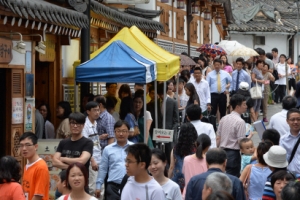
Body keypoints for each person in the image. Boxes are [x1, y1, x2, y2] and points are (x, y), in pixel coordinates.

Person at [95, 120, 134, 199]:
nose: (121, 134)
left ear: (128, 132)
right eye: (118, 131)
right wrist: (98, 186)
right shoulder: (108, 149)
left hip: (131, 185)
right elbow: (103, 168)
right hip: (113, 187)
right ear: (114, 132)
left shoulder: (134, 148)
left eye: (124, 131)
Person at [217, 94, 248, 177]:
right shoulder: (240, 122)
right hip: (233, 154)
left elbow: (218, 138)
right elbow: (240, 142)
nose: (246, 106)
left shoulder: (223, 118)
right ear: (238, 107)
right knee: (232, 180)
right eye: (244, 104)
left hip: (221, 152)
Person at [147, 83, 179, 162]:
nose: (161, 96)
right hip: (157, 132)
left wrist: (172, 131)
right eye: (159, 94)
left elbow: (176, 119)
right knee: (157, 153)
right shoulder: (154, 103)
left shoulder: (173, 102)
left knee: (169, 153)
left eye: (162, 94)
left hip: (169, 133)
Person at [19, 132, 50, 200]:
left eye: (27, 145)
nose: (24, 148)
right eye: (21, 145)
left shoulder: (41, 166)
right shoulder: (27, 166)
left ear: (36, 146)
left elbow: (38, 195)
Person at [168, 123, 197, 191]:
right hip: (192, 180)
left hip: (178, 179)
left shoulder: (175, 149)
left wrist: (168, 180)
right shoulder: (197, 149)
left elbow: (171, 167)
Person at [81, 101, 101, 195]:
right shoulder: (85, 125)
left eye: (98, 110)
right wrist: (92, 160)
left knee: (100, 186)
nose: (97, 112)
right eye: (94, 110)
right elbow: (85, 145)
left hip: (99, 157)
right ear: (88, 111)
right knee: (93, 187)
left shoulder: (95, 123)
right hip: (91, 160)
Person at [206, 59, 232, 130]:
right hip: (213, 95)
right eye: (215, 65)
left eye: (218, 65)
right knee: (213, 112)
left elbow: (231, 82)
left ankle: (223, 127)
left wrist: (228, 90)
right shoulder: (210, 74)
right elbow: (207, 86)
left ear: (221, 65)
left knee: (223, 111)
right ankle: (212, 127)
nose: (217, 66)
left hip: (222, 95)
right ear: (213, 65)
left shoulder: (225, 73)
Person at [280, 108, 300, 174]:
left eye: (298, 119)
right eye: (292, 120)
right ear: (287, 121)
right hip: (291, 176)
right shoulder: (283, 140)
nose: (296, 122)